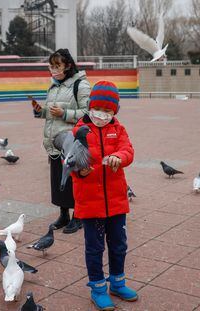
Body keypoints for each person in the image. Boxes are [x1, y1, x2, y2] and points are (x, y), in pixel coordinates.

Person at [71, 81, 137, 310]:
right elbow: (69, 161)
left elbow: (128, 150)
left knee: (119, 245)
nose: (103, 115)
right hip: (90, 203)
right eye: (99, 109)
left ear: (115, 111)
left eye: (108, 111)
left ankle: (118, 284)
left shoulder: (118, 129)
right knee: (95, 248)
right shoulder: (78, 130)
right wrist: (80, 170)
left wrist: (119, 156)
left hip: (117, 201)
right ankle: (98, 288)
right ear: (90, 107)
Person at [33, 48, 91, 234]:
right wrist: (40, 111)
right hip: (54, 142)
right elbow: (51, 112)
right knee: (59, 180)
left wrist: (65, 114)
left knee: (74, 181)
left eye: (57, 66)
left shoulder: (81, 85)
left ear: (68, 65)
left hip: (72, 143)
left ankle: (79, 216)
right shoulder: (53, 86)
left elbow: (89, 114)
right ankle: (64, 214)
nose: (53, 69)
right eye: (51, 66)